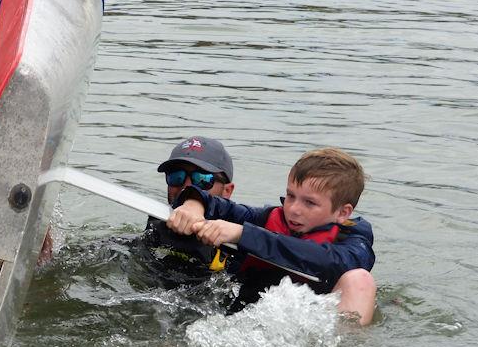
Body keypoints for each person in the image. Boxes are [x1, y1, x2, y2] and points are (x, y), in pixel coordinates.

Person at [166, 147, 377, 325]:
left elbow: (331, 261)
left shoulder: (355, 241)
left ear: (343, 213)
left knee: (361, 281)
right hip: (239, 319)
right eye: (291, 196)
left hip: (309, 328)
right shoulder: (267, 218)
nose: (293, 209)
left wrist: (243, 234)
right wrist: (193, 204)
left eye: (309, 203)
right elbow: (221, 206)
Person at [143, 136, 235, 277]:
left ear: (227, 191)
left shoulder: (238, 248)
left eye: (202, 179)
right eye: (177, 177)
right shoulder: (152, 233)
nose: (186, 187)